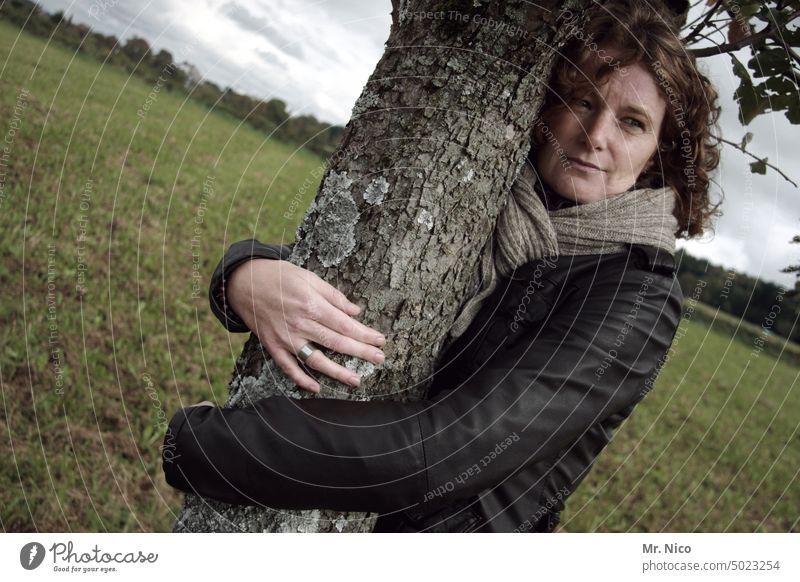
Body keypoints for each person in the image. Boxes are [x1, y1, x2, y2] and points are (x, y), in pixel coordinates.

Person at [162, 0, 721, 532]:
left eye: (631, 122)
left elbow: (452, 449)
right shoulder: (487, 194)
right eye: (581, 100)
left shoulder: (636, 295)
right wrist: (246, 274)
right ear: (544, 101)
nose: (595, 136)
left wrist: (202, 443)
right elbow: (371, 279)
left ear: (660, 153)